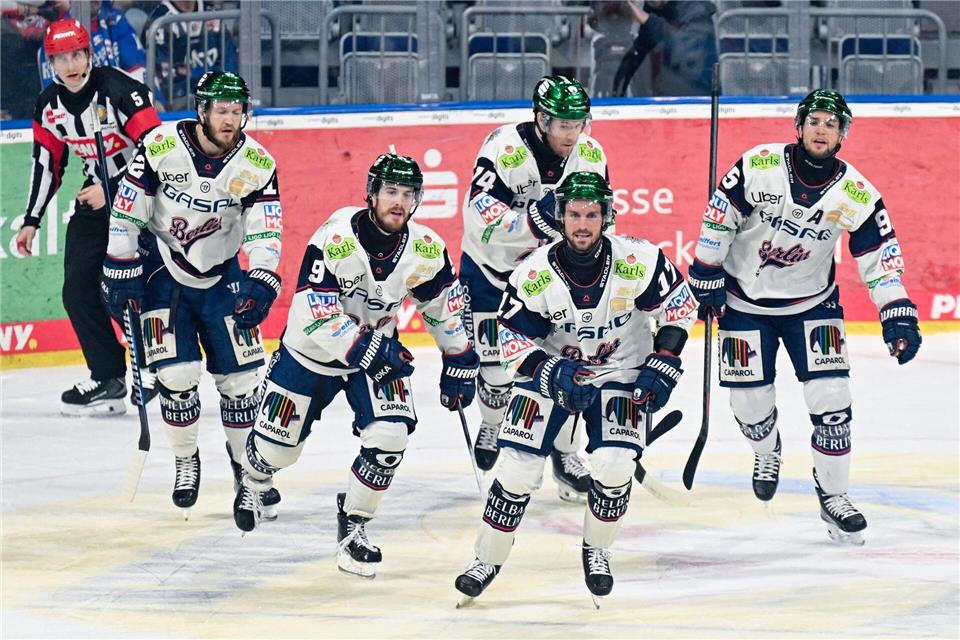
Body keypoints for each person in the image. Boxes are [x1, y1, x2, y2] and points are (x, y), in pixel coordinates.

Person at [688, 89, 922, 545]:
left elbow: (881, 260)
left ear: (842, 136)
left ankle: (834, 495)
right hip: (743, 301)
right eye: (813, 120)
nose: (821, 129)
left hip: (813, 305)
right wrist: (706, 270)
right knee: (749, 405)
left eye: (831, 124)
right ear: (799, 127)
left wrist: (897, 314)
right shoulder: (758, 166)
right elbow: (719, 216)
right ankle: (766, 448)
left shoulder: (857, 193)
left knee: (833, 401)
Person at [233, 153, 479, 581]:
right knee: (276, 450)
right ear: (371, 194)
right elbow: (315, 312)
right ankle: (254, 479)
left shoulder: (425, 248)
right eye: (390, 192)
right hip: (310, 354)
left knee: (391, 436)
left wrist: (458, 357)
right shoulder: (336, 237)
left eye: (407, 194)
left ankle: (354, 524)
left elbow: (443, 307)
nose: (399, 202)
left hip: (374, 353)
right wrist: (370, 348)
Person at [454, 172, 697, 606]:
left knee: (615, 465)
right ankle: (486, 560)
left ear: (607, 217)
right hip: (555, 370)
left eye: (591, 214)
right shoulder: (534, 273)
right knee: (517, 469)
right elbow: (508, 340)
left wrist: (664, 363)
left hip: (622, 370)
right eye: (573, 215)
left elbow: (679, 306)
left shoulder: (639, 259)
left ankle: (597, 550)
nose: (582, 224)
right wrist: (550, 374)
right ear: (561, 218)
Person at [101, 71, 284, 518]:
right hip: (164, 271)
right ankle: (186, 459)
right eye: (222, 110)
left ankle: (248, 472)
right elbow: (128, 208)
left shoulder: (257, 163)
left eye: (238, 110)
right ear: (202, 110)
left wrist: (262, 277)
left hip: (224, 277)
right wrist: (120, 264)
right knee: (178, 378)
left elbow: (266, 227)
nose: (231, 119)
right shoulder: (161, 146)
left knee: (241, 384)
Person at [460, 75, 608, 502]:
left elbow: (600, 219)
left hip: (552, 282)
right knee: (494, 371)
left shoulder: (591, 154)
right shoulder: (505, 151)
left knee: (575, 364)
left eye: (578, 123)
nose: (571, 133)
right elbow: (480, 221)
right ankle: (492, 422)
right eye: (562, 123)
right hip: (492, 274)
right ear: (541, 120)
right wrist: (534, 223)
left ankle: (566, 452)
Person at [16, 18, 160, 415]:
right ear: (51, 63)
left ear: (89, 54)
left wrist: (112, 189)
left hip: (145, 202)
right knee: (78, 290)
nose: (70, 65)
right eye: (60, 58)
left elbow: (159, 154)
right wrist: (31, 219)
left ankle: (152, 372)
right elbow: (47, 163)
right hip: (96, 203)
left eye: (77, 54)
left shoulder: (120, 90)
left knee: (132, 291)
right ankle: (108, 375)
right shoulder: (49, 107)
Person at [143, 0, 238, 110]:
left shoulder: (211, 13)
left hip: (218, 92)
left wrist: (193, 73)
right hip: (180, 100)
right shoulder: (159, 20)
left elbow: (230, 62)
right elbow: (165, 76)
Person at [612, 0, 717, 97]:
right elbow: (637, 54)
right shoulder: (653, 12)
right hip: (655, 106)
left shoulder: (696, 10)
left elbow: (691, 59)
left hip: (699, 107)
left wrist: (648, 21)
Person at [38, 0, 147, 88]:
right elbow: (55, 94)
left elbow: (136, 67)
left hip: (120, 105)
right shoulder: (58, 35)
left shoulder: (115, 20)